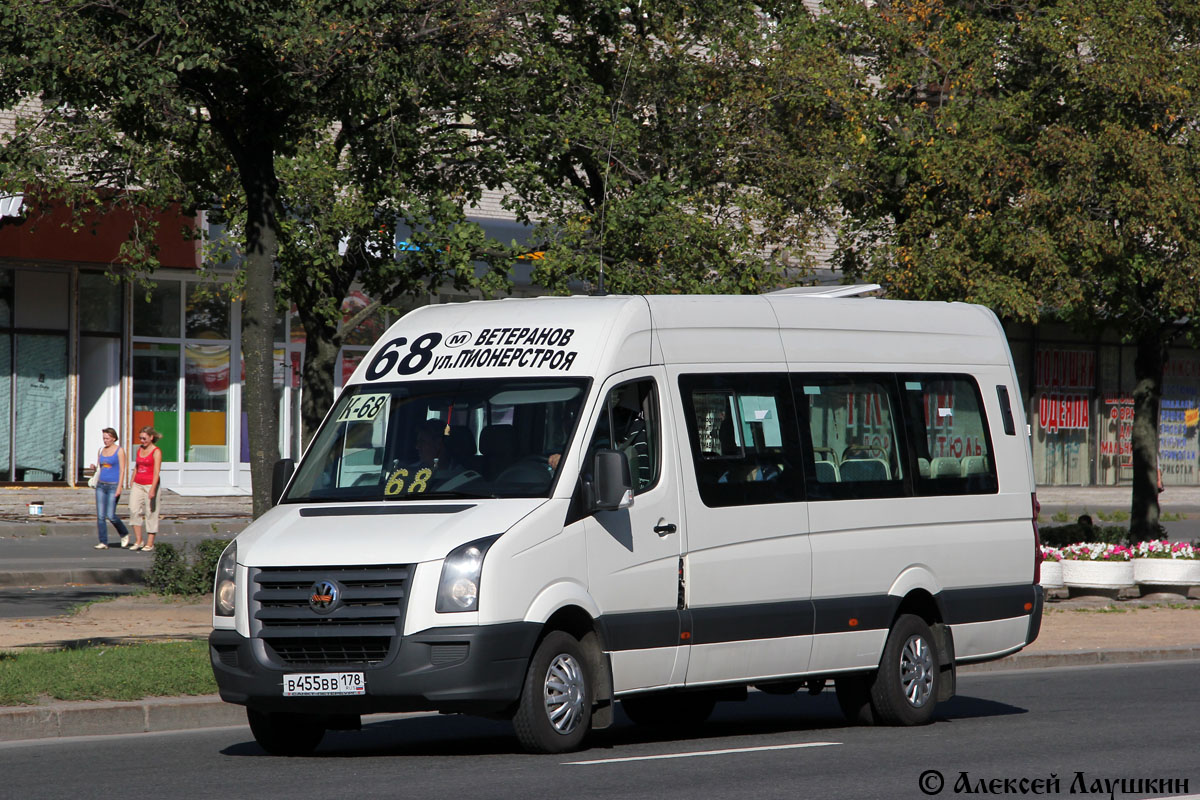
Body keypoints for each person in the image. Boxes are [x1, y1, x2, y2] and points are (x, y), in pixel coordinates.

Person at [88, 427, 131, 549]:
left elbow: (122, 470)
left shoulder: (119, 451)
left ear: (113, 438)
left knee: (110, 515)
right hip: (101, 485)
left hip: (113, 485)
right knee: (101, 515)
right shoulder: (101, 450)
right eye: (104, 438)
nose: (105, 441)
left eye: (107, 438)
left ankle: (124, 533)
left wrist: (120, 486)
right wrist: (94, 468)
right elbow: (100, 467)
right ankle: (103, 541)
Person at [129, 426, 163, 552]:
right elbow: (137, 466)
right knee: (133, 509)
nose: (142, 441)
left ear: (151, 437)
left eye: (144, 438)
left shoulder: (156, 451)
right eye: (140, 438)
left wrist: (153, 489)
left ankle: (150, 542)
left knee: (151, 512)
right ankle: (138, 540)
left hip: (150, 484)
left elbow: (156, 472)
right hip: (138, 483)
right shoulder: (139, 449)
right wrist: (132, 479)